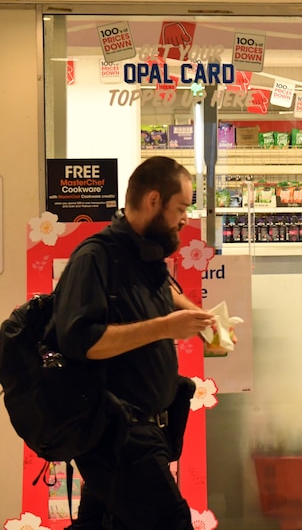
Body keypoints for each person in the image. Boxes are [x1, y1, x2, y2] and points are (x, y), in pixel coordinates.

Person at [53, 156, 218, 530]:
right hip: (117, 433)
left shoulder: (145, 255)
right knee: (171, 522)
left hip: (147, 430)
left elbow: (164, 294)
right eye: (180, 208)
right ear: (153, 200)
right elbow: (82, 341)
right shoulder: (96, 258)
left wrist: (205, 321)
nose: (184, 219)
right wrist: (164, 328)